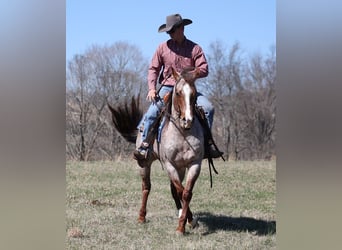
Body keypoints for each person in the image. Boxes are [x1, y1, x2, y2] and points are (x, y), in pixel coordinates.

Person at [134, 13, 222, 160]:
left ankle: (207, 144)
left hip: (188, 89)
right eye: (168, 32)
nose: (169, 34)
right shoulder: (162, 48)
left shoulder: (195, 49)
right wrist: (151, 88)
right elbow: (153, 69)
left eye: (172, 31)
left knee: (208, 108)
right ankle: (144, 146)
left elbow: (204, 69)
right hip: (168, 88)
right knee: (151, 114)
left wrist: (190, 76)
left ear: (181, 29)